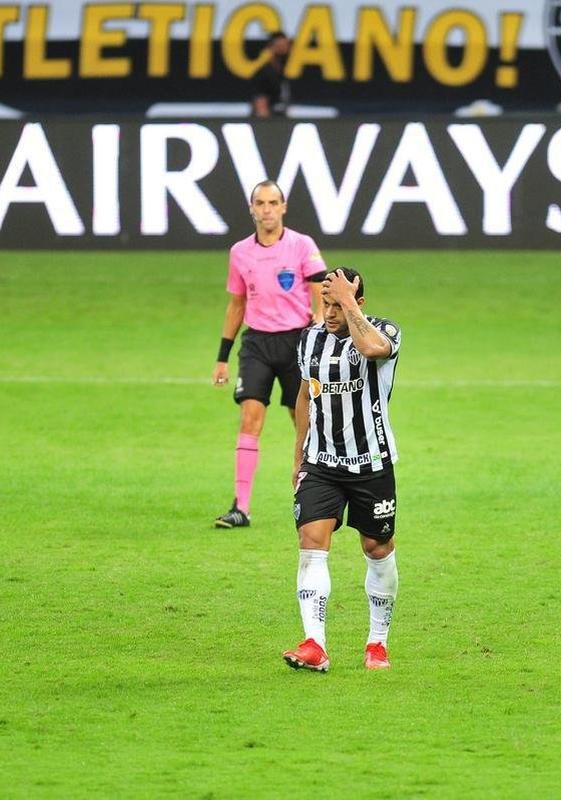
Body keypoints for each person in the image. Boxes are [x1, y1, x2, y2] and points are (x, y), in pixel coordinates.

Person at [283, 268, 402, 672]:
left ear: (357, 303)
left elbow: (371, 350)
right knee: (311, 542)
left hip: (371, 464)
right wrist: (298, 453)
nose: (330, 313)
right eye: (326, 303)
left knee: (377, 548)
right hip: (322, 464)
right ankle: (315, 644)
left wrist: (349, 303)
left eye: (338, 304)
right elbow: (304, 394)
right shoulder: (309, 340)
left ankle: (377, 643)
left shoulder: (384, 331)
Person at [212, 180, 325, 528]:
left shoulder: (302, 245)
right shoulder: (239, 253)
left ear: (284, 207)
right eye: (260, 203)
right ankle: (241, 507)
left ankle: (314, 496)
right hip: (257, 343)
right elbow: (236, 303)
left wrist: (319, 326)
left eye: (273, 202)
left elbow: (319, 286)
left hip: (296, 342)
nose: (267, 209)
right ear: (251, 208)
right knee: (250, 418)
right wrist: (222, 356)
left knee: (303, 422)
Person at [251, 32, 291, 118]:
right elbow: (261, 110)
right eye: (279, 47)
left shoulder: (282, 74)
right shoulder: (264, 74)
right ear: (270, 48)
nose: (283, 51)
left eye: (285, 47)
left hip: (281, 123)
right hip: (268, 125)